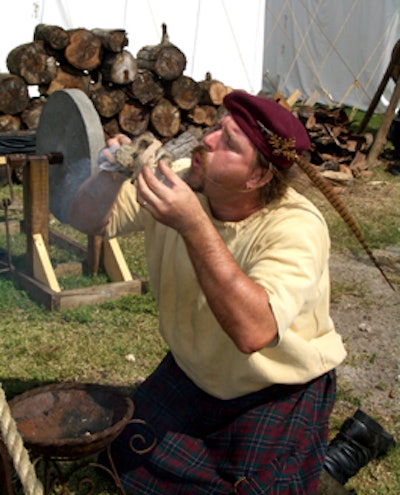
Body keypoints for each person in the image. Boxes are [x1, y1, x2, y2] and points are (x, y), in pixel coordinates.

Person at [69, 90, 347, 494]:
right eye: (217, 126)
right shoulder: (183, 176)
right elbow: (89, 219)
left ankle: (337, 458)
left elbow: (253, 332)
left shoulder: (296, 227)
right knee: (119, 466)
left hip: (273, 388)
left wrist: (193, 224)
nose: (208, 140)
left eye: (229, 143)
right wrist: (111, 172)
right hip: (193, 372)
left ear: (258, 177)